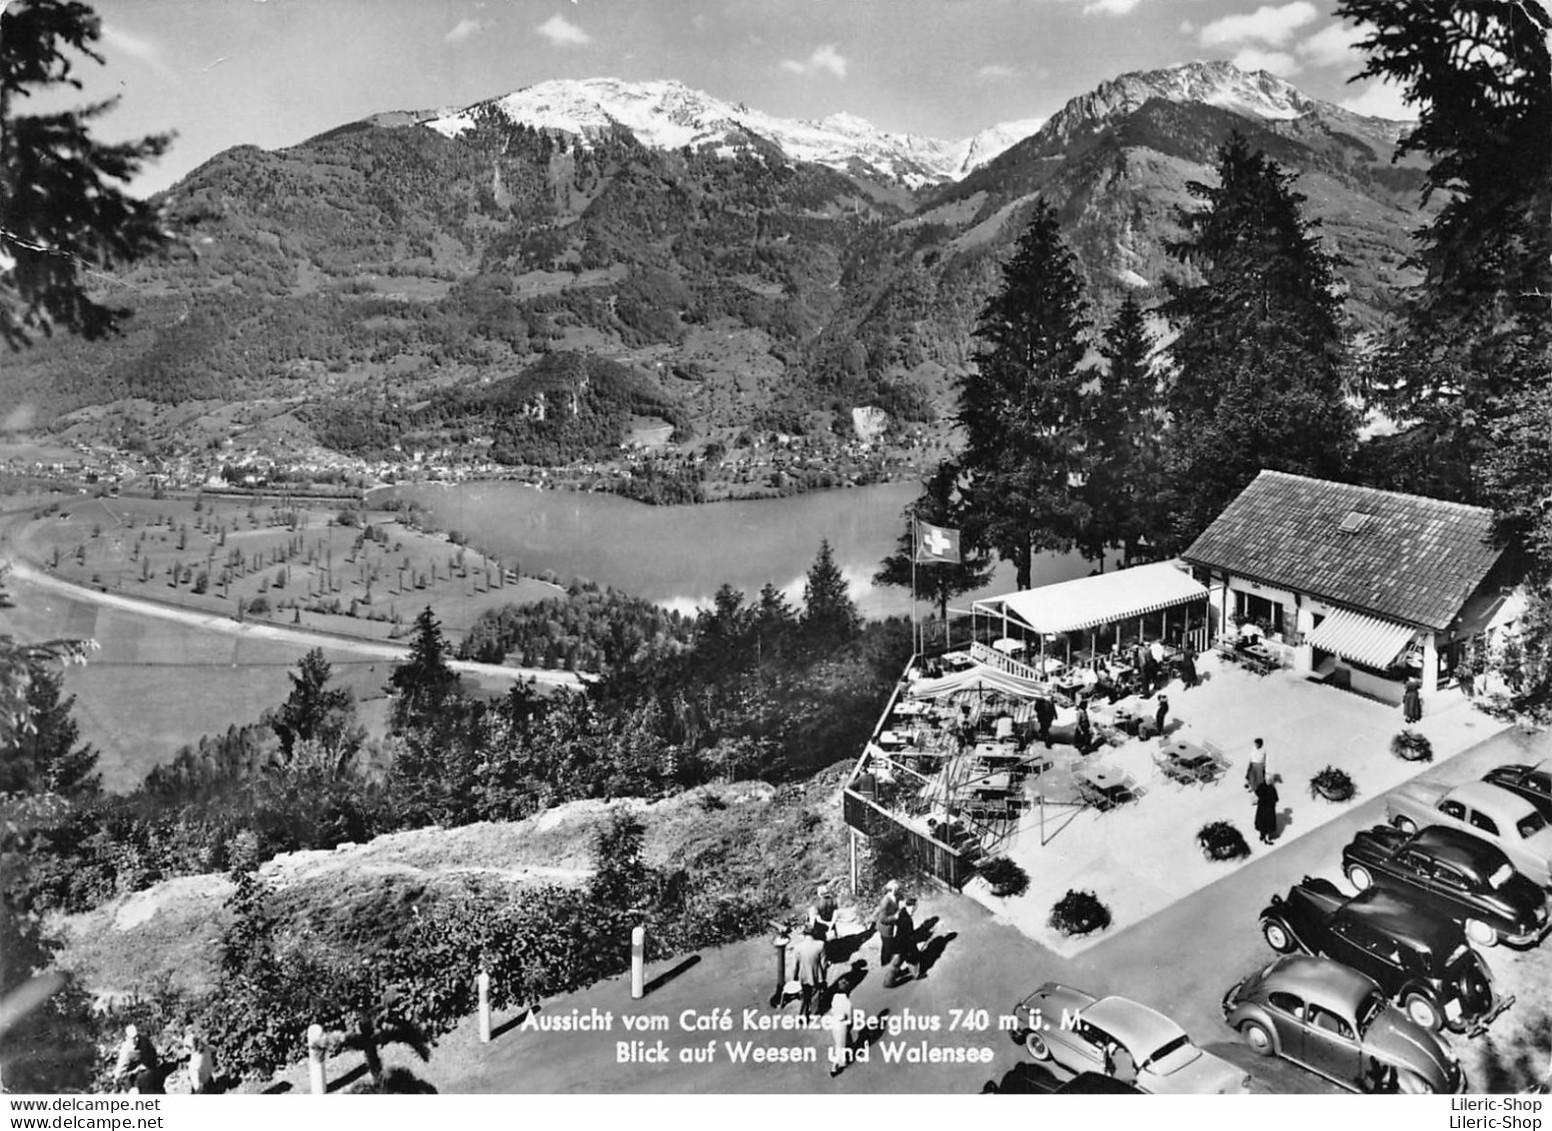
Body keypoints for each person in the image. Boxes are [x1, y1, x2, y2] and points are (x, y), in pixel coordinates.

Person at [113, 1025, 160, 1092]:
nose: (137, 1039)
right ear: (127, 1038)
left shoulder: (144, 1041)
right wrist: (135, 1071)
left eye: (137, 1036)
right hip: (131, 1078)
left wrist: (147, 1063)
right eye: (133, 1038)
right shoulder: (126, 1051)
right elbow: (120, 1074)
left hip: (146, 1070)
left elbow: (152, 1053)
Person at [824, 976, 855, 1078]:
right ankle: (835, 1066)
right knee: (840, 1047)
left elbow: (833, 1011)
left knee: (839, 1042)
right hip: (842, 1025)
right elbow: (850, 1019)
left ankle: (848, 1052)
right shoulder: (847, 1003)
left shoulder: (835, 998)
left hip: (834, 1023)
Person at [793, 932, 827, 1022]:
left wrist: (795, 976)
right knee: (815, 995)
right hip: (816, 974)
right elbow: (823, 963)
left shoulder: (798, 947)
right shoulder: (821, 945)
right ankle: (813, 1013)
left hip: (803, 974)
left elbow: (796, 964)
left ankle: (802, 1015)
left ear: (804, 934)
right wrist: (823, 977)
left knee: (805, 995)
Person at [875, 880, 904, 987]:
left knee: (886, 948)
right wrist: (895, 917)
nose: (898, 890)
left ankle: (884, 967)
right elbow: (883, 919)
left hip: (890, 927)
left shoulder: (894, 897)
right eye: (897, 888)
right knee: (888, 949)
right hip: (885, 928)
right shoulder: (885, 901)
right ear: (892, 889)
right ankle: (885, 970)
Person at [894, 895, 922, 982]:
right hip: (906, 943)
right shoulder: (906, 920)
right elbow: (908, 935)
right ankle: (916, 975)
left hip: (899, 941)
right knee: (914, 958)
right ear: (912, 906)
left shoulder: (902, 912)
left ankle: (896, 973)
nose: (916, 909)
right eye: (916, 906)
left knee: (900, 958)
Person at [182, 1028, 214, 1094]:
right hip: (206, 1074)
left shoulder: (197, 1056)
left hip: (199, 1072)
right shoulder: (207, 1049)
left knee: (197, 1085)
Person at [1255, 778, 1280, 844]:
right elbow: (1276, 798)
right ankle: (1270, 836)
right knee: (1269, 822)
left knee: (1262, 822)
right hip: (1270, 808)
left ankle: (1262, 835)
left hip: (1262, 807)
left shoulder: (1261, 787)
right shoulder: (1271, 788)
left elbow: (1257, 792)